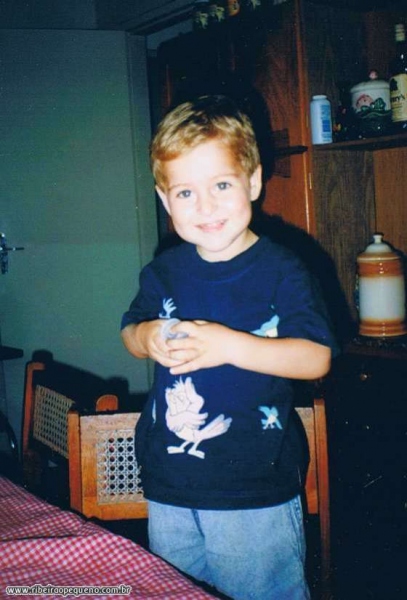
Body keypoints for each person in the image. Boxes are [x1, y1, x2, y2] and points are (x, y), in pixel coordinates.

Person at [121, 95, 337, 600]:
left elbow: (317, 357)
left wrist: (229, 346)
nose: (206, 206)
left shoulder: (284, 269)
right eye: (186, 192)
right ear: (164, 199)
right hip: (169, 479)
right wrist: (146, 337)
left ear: (254, 182)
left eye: (221, 184)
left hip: (254, 486)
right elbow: (130, 331)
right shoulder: (163, 270)